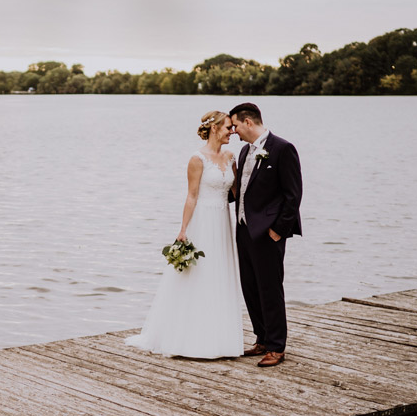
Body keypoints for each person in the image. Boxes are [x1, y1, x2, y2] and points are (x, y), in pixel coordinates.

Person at [126, 110, 244, 359]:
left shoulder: (232, 156)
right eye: (227, 128)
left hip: (223, 220)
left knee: (220, 273)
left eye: (233, 128)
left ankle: (221, 338)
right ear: (214, 128)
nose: (231, 133)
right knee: (200, 274)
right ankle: (192, 338)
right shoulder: (197, 159)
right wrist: (183, 229)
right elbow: (191, 196)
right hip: (203, 220)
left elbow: (238, 192)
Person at [228, 102, 302, 368]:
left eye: (235, 125)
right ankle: (261, 338)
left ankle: (276, 346)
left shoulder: (283, 149)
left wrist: (277, 231)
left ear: (248, 122)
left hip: (268, 233)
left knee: (270, 289)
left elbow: (293, 196)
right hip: (244, 230)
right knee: (250, 287)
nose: (233, 131)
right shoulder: (245, 151)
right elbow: (242, 190)